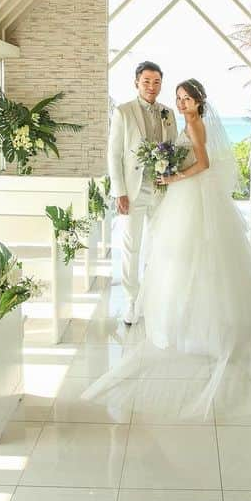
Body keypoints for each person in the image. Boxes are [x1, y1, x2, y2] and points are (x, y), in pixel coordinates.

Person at [84, 78, 251, 419]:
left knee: (198, 257)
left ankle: (200, 326)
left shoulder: (194, 124)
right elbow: (123, 152)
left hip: (191, 196)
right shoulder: (173, 120)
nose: (182, 103)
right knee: (176, 259)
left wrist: (172, 177)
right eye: (179, 98)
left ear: (199, 101)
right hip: (176, 196)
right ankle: (173, 317)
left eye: (187, 98)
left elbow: (203, 165)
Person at [107, 61, 178, 325]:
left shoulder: (168, 113)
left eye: (156, 81)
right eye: (146, 81)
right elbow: (114, 154)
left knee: (157, 247)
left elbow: (174, 147)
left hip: (161, 189)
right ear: (136, 82)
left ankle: (152, 298)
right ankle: (130, 301)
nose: (152, 86)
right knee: (131, 247)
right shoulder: (123, 112)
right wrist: (119, 192)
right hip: (133, 191)